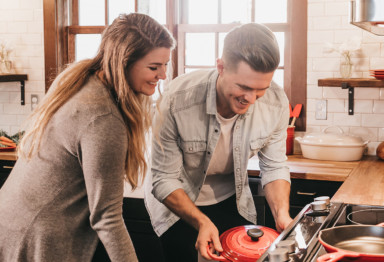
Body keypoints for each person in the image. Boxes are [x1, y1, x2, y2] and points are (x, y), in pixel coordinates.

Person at [0, 13, 175, 262]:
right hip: (36, 237)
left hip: (12, 221)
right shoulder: (103, 117)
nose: (163, 75)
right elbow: (107, 217)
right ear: (123, 62)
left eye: (165, 64)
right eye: (154, 67)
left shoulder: (83, 80)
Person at [144, 22, 293, 262]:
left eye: (260, 89)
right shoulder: (176, 100)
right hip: (178, 204)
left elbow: (274, 166)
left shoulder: (275, 102)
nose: (251, 99)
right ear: (221, 67)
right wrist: (202, 221)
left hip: (232, 199)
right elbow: (164, 179)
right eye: (243, 87)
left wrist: (282, 214)